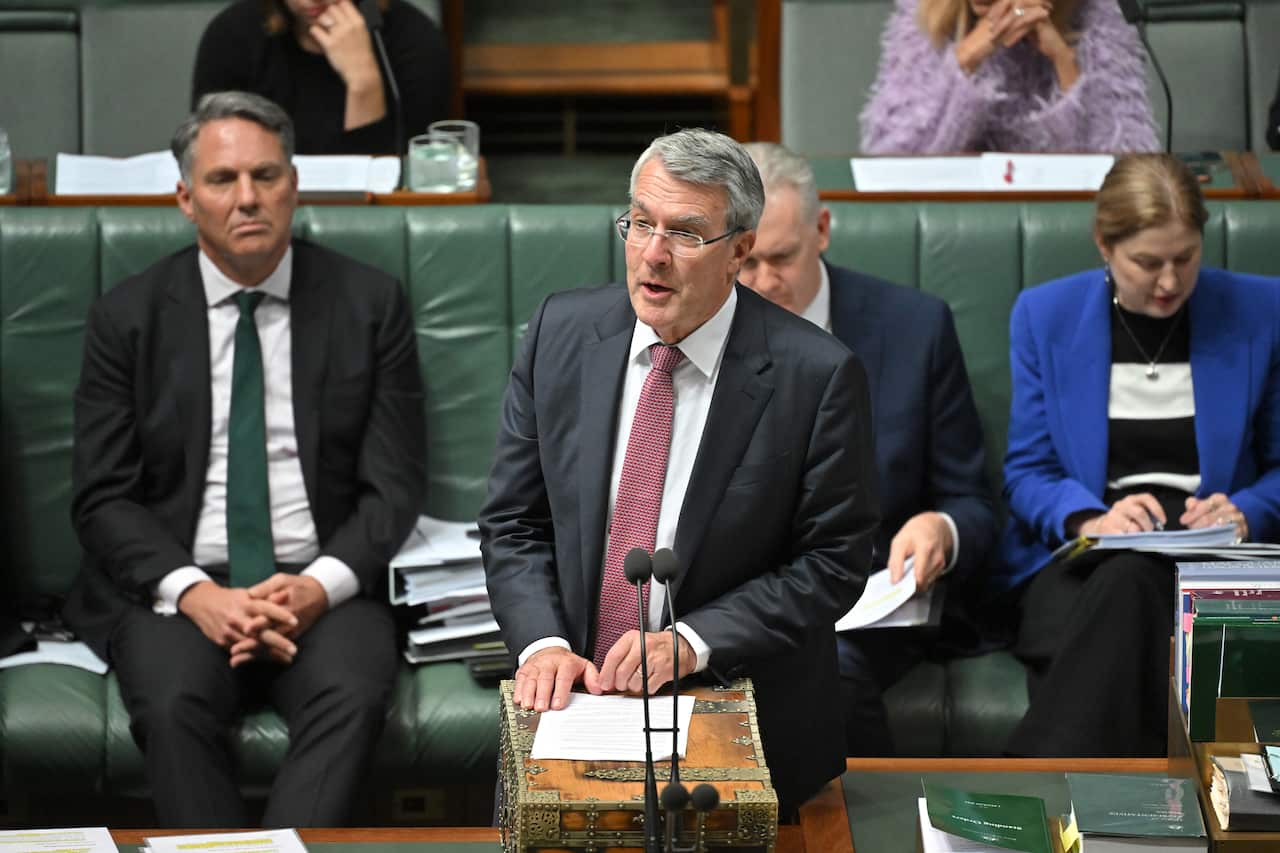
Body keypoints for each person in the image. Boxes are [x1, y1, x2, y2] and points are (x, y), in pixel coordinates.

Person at [478, 128, 879, 814]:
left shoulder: (816, 374)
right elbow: (514, 522)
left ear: (740, 250)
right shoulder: (560, 334)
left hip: (735, 708)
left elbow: (833, 563)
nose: (653, 255)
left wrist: (691, 643)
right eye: (641, 224)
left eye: (687, 234)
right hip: (574, 702)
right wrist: (542, 641)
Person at [63, 91, 426, 826]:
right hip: (179, 589)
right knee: (171, 704)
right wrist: (198, 593)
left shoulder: (369, 302)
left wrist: (316, 587)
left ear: (294, 186)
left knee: (352, 695)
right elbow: (102, 497)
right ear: (185, 197)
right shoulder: (127, 317)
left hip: (324, 583)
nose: (248, 198)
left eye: (266, 176)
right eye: (223, 180)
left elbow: (394, 487)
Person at [997, 153, 1280, 756]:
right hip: (1089, 561)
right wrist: (1090, 519)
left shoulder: (1262, 311)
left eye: (1186, 259)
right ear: (1104, 244)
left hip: (1218, 564)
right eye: (1147, 263)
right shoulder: (1046, 316)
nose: (1170, 282)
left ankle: (1027, 789)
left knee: (1126, 605)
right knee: (1128, 582)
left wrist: (1248, 510)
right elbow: (1028, 471)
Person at [738, 142, 997, 756]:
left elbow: (973, 501)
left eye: (781, 258)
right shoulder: (699, 325)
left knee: (818, 669)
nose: (763, 282)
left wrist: (942, 527)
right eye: (745, 262)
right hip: (737, 594)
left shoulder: (914, 328)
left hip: (868, 595)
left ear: (821, 230)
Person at [859, 0, 1159, 153]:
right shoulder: (928, 10)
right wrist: (966, 57)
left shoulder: (1095, 14)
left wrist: (1065, 64)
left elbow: (1125, 170)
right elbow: (891, 156)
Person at [193, 0, 449, 154]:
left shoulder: (414, 40)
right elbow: (215, 160)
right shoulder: (232, 36)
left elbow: (405, 189)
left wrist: (363, 82)